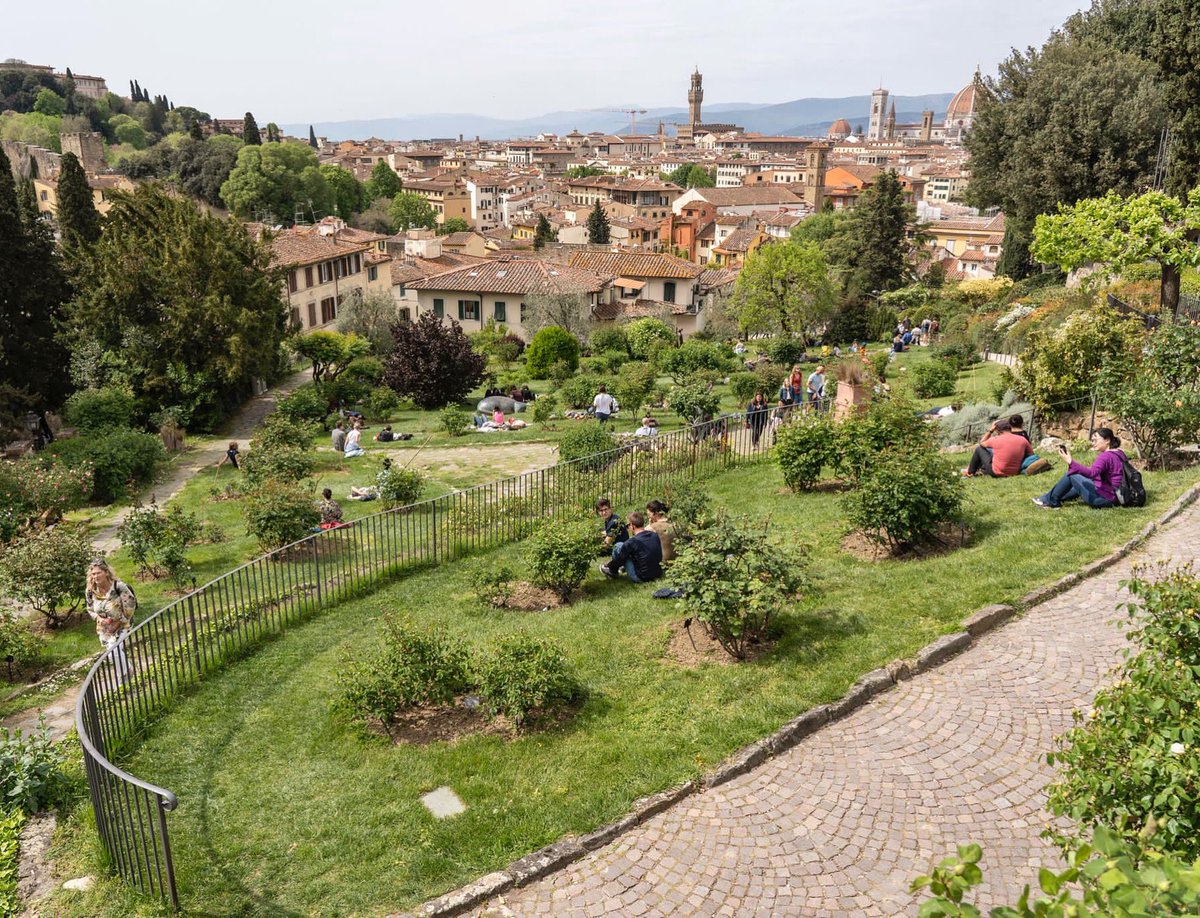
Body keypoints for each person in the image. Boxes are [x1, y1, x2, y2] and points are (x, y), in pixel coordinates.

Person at [1034, 428, 1125, 509]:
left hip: (1103, 499)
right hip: (1116, 497)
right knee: (1081, 479)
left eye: (1095, 440)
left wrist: (1070, 462)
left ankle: (1050, 501)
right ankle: (1048, 497)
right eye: (1092, 441)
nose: (1093, 443)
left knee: (1072, 475)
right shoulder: (1119, 453)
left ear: (1107, 440)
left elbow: (1092, 473)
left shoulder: (1105, 456)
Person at [85, 559, 136, 682]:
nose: (95, 576)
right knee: (112, 654)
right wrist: (98, 618)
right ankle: (126, 674)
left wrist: (117, 623)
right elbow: (90, 609)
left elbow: (130, 606)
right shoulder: (90, 591)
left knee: (114, 652)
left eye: (98, 573)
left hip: (123, 625)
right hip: (105, 629)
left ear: (106, 572)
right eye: (93, 574)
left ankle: (125, 677)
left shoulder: (118, 587)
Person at [599, 511, 663, 583]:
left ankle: (612, 571)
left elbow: (620, 559)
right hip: (657, 574)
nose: (628, 528)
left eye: (628, 525)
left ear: (632, 526)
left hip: (641, 577)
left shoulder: (632, 542)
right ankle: (617, 568)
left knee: (618, 546)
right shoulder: (654, 535)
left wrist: (608, 565)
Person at [964, 419, 1031, 477]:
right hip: (1015, 472)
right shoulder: (1022, 439)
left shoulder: (995, 439)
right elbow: (1031, 454)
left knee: (979, 449)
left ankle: (970, 472)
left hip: (997, 472)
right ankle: (981, 470)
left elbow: (981, 443)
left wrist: (991, 431)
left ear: (997, 430)